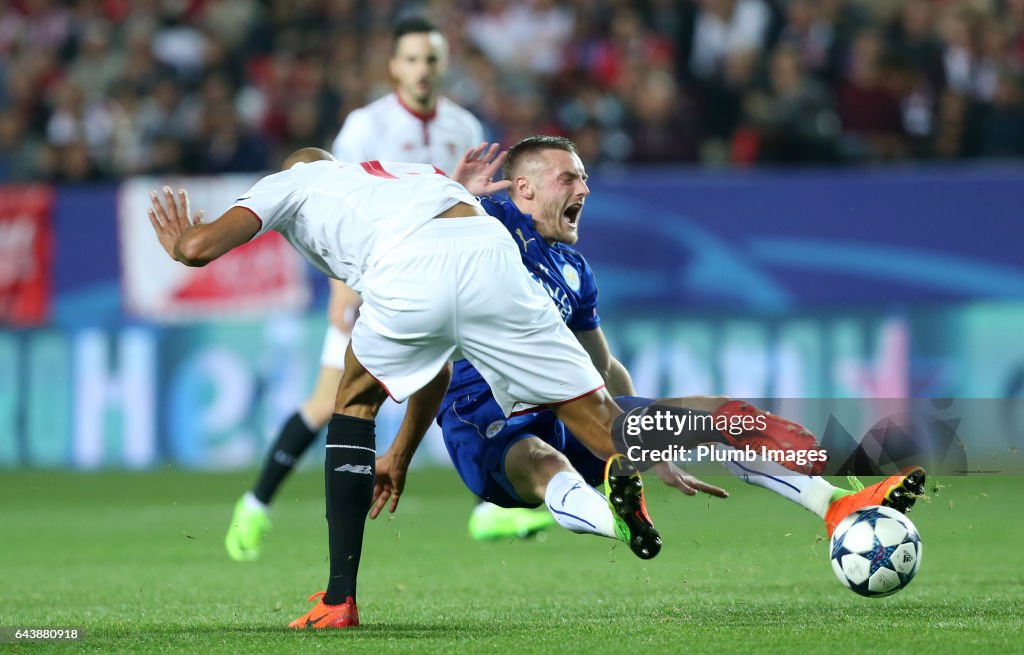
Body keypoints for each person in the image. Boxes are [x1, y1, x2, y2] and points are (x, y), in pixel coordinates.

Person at [367, 135, 927, 565]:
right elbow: (404, 236)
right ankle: (621, 517)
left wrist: (638, 443)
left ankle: (834, 503)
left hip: (569, 403)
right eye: (570, 178)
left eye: (585, 180)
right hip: (481, 411)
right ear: (525, 188)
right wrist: (454, 194)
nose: (584, 190)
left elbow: (604, 365)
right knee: (545, 462)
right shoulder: (482, 225)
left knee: (709, 415)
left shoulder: (574, 270)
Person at [222, 15, 544, 563]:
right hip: (370, 277)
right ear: (394, 66)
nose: (423, 70)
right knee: (330, 401)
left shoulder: (463, 126)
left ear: (443, 66)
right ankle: (255, 503)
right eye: (413, 59)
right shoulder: (364, 127)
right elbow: (331, 205)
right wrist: (341, 290)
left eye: (432, 59)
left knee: (487, 375)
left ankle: (496, 502)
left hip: (442, 273)